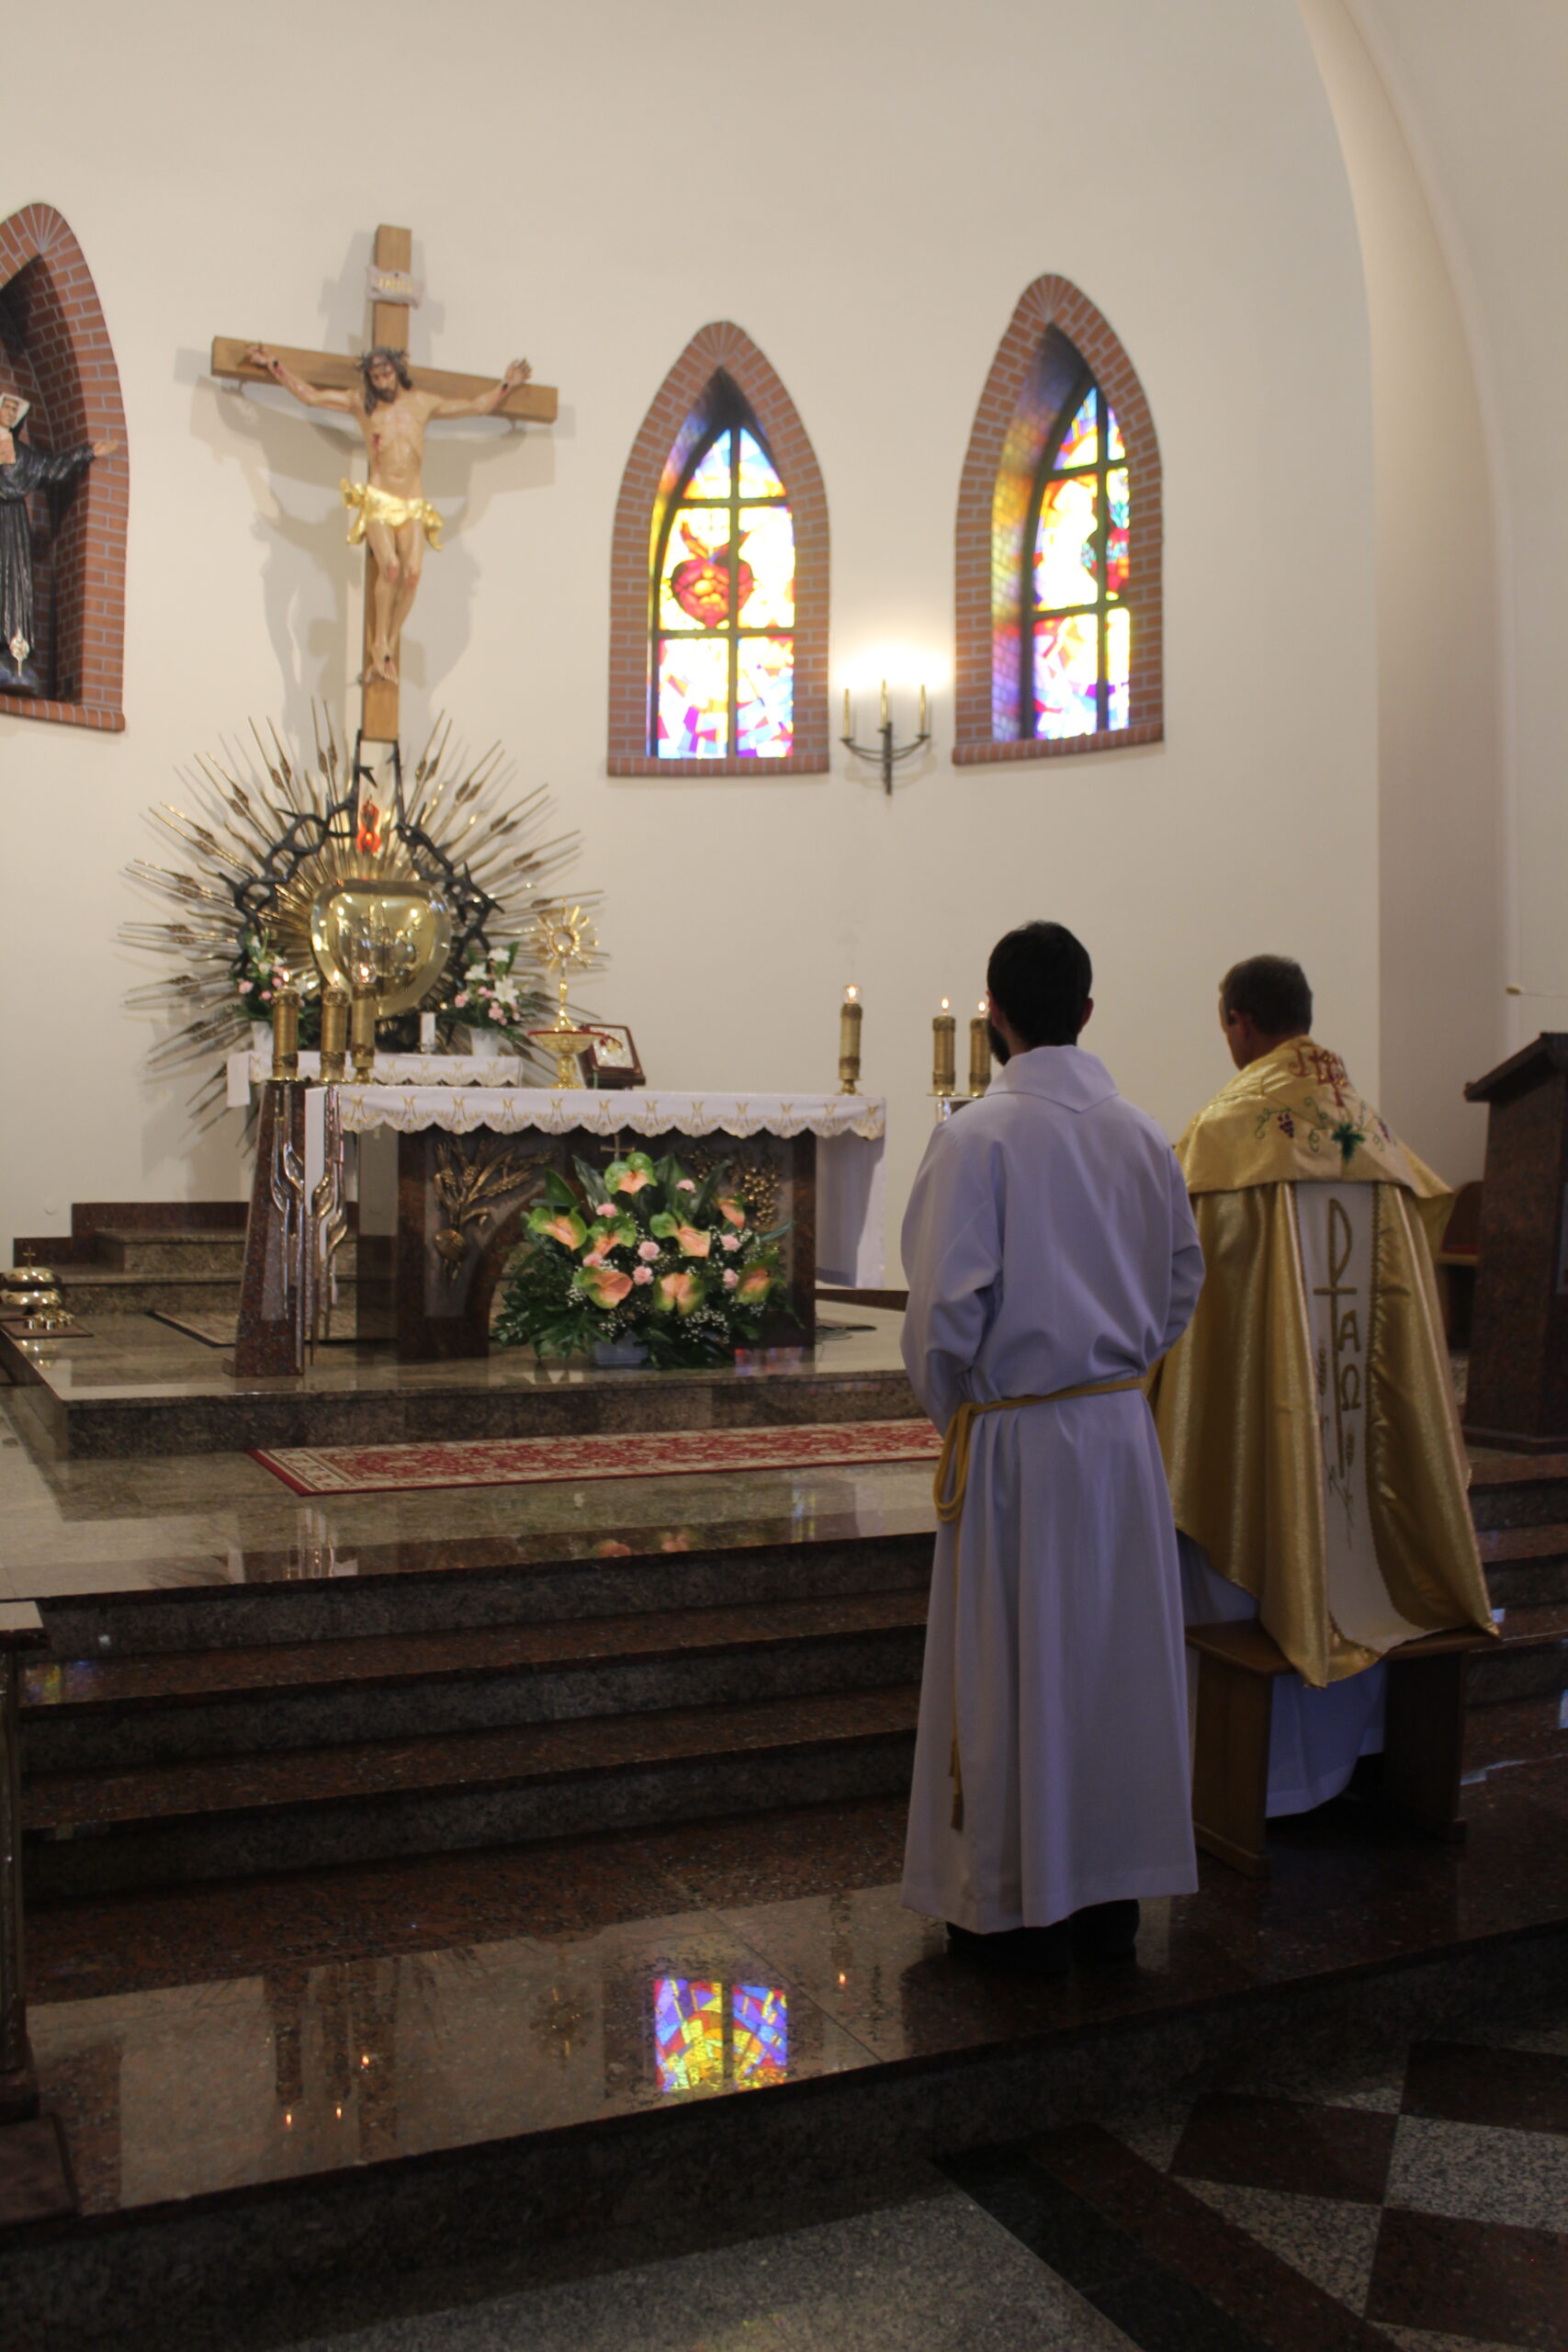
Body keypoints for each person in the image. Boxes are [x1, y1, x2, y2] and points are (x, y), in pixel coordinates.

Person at [900, 922, 1204, 1973]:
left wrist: (968, 1414)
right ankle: (1107, 1897)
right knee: (1110, 1665)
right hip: (1118, 1437)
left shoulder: (976, 1139)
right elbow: (1180, 1285)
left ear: (994, 1015)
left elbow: (941, 1319)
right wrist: (1114, 1377)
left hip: (1016, 1446)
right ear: (1086, 1011)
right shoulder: (1144, 1136)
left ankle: (1007, 1902)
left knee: (1010, 1669)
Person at [1148, 955, 1495, 1814]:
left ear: (1238, 1022)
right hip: (1358, 1428)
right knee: (1359, 1557)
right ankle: (1355, 1754)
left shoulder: (1221, 1134)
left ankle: (1252, 1785)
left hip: (1259, 1434)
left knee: (1243, 1571)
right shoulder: (1370, 1134)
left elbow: (1174, 1290)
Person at [245, 343, 532, 684]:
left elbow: (476, 406)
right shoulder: (360, 404)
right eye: (375, 376)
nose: (382, 381)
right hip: (380, 498)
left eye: (386, 373)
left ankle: (388, 645)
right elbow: (311, 397)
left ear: (398, 370)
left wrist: (507, 384)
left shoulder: (422, 403)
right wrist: (275, 365)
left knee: (412, 574)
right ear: (368, 378)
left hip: (412, 501)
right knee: (391, 567)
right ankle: (378, 639)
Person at [0, 392, 119, 695]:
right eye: (6, 407)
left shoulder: (23, 454)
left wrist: (87, 453)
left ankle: (13, 655)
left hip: (14, 525)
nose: (10, 413)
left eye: (14, 410)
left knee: (15, 585)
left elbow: (51, 466)